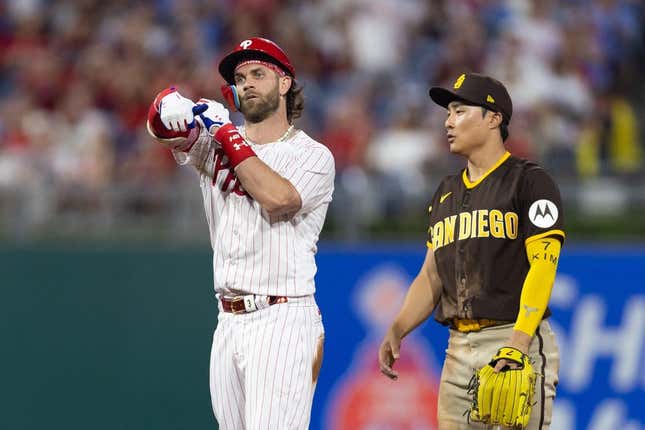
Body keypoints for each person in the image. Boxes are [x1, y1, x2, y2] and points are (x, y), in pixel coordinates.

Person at [146, 37, 335, 429]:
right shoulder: (216, 143)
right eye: (240, 76)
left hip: (281, 317)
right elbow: (164, 130)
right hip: (228, 319)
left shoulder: (312, 155)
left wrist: (225, 132)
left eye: (258, 74)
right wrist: (166, 104)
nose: (246, 82)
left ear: (284, 83)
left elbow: (278, 198)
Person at [378, 72, 564, 429]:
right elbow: (431, 274)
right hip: (458, 348)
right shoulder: (445, 192)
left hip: (512, 335)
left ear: (493, 119)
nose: (448, 121)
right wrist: (399, 327)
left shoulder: (529, 182)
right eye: (448, 113)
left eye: (460, 111)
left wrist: (519, 343)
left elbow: (544, 266)